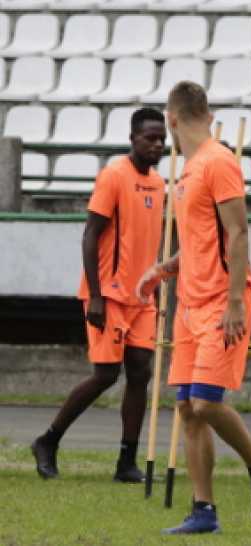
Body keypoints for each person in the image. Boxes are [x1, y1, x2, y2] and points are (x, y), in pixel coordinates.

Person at [136, 81, 251, 535]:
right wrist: (165, 268)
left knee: (205, 400)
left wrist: (237, 301)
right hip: (190, 303)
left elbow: (238, 233)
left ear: (173, 118)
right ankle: (204, 510)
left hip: (222, 300)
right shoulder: (191, 169)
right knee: (187, 409)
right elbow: (203, 239)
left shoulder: (218, 162)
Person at [31, 108, 167, 482]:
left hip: (143, 297)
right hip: (108, 293)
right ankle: (48, 440)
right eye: (150, 138)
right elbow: (91, 235)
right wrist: (94, 294)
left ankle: (126, 462)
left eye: (162, 139)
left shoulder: (158, 183)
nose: (157, 145)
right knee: (106, 375)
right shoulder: (113, 176)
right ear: (132, 139)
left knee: (140, 373)